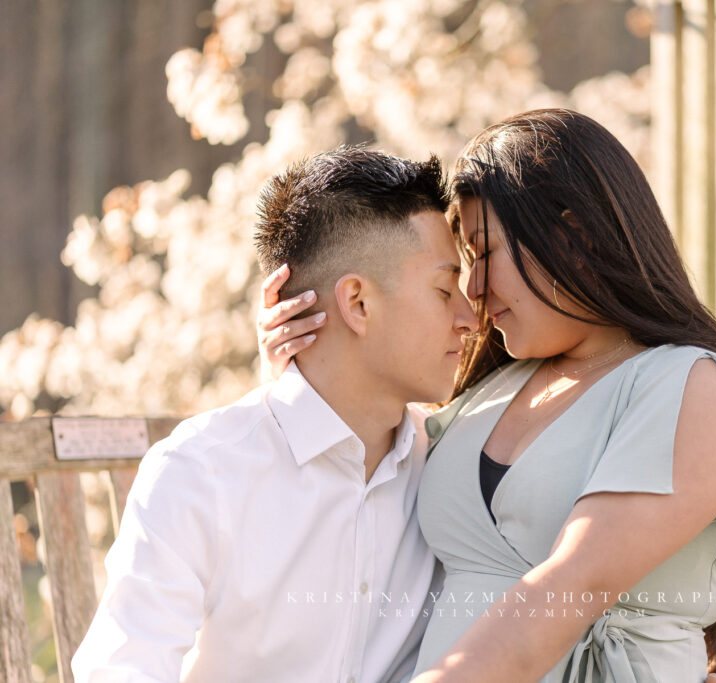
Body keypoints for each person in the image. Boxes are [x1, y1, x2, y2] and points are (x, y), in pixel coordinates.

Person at [260, 109, 716, 682]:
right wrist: (306, 368)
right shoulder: (485, 395)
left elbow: (572, 584)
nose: (472, 290)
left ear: (571, 236)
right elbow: (362, 485)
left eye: (485, 255)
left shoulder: (692, 386)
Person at [72, 147, 478, 682]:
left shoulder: (450, 462)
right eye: (445, 290)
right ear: (357, 303)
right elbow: (123, 671)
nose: (469, 318)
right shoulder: (201, 474)